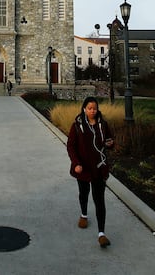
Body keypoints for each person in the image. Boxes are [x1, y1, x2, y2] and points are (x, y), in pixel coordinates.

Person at [66, 96, 115, 248]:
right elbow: (71, 146)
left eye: (94, 108)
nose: (92, 111)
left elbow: (109, 141)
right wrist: (76, 163)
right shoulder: (77, 126)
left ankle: (101, 233)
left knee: (99, 199)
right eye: (89, 108)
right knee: (84, 192)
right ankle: (84, 214)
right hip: (83, 167)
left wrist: (111, 143)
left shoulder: (103, 125)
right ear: (84, 109)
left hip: (99, 167)